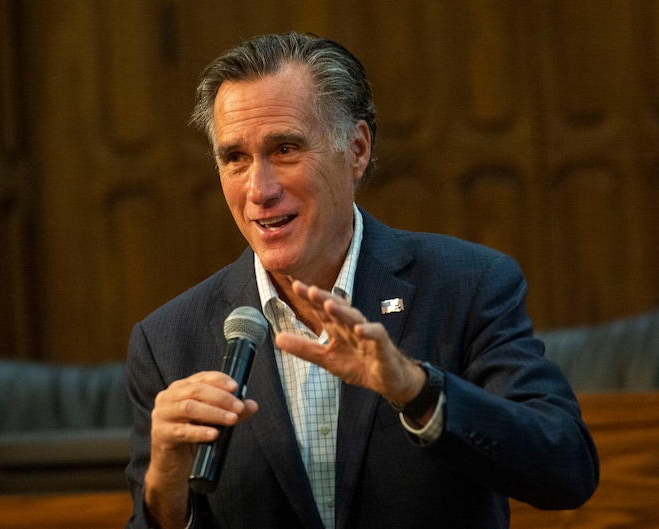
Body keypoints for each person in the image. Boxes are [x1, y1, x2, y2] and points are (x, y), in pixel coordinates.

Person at [124, 32, 599, 529]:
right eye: (235, 158)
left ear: (356, 149)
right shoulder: (167, 343)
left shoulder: (466, 286)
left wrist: (418, 392)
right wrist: (165, 485)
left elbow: (567, 468)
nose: (259, 190)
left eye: (285, 149)